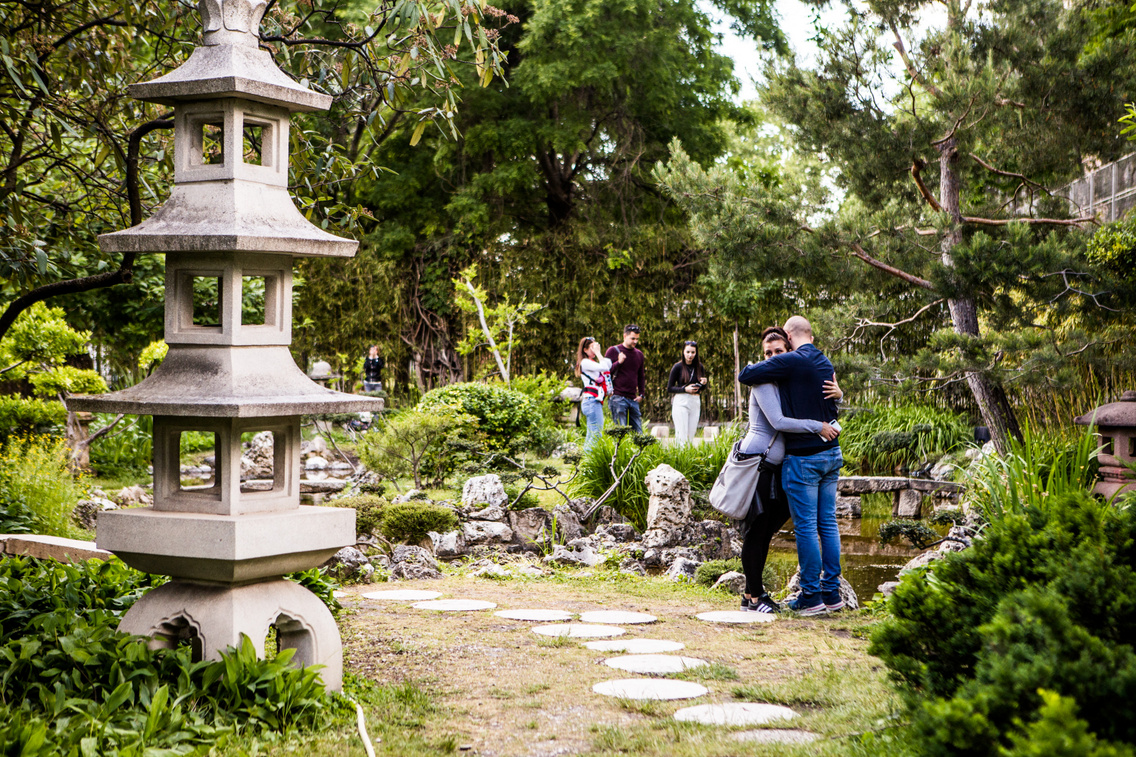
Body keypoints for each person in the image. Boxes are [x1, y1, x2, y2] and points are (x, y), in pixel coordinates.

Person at [738, 316, 844, 616]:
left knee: (804, 527)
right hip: (761, 464)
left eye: (778, 352)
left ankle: (817, 595)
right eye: (767, 355)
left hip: (793, 462)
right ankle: (754, 596)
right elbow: (779, 420)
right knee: (759, 531)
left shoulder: (794, 369)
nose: (772, 359)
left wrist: (841, 394)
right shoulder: (805, 366)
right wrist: (819, 426)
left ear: (790, 345)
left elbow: (825, 398)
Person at [605, 325, 645, 432]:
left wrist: (641, 394)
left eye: (637, 339)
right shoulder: (613, 351)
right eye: (632, 338)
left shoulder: (639, 354)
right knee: (620, 432)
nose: (635, 341)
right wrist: (619, 363)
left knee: (638, 433)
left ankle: (637, 449)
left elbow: (641, 376)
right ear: (624, 336)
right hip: (618, 397)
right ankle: (619, 449)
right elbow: (605, 372)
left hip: (633, 399)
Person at [575, 336, 613, 451]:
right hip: (591, 401)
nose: (595, 349)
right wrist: (598, 353)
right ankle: (589, 465)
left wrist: (598, 352)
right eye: (591, 347)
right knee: (596, 434)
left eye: (596, 346)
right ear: (585, 350)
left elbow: (608, 363)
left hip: (592, 401)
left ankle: (586, 463)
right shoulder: (585, 362)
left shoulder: (591, 362)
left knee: (591, 434)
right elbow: (605, 367)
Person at [667, 341, 707, 443]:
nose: (690, 355)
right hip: (681, 401)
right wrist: (685, 389)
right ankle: (680, 457)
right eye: (688, 352)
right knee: (681, 434)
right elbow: (670, 388)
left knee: (691, 435)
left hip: (695, 401)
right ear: (683, 352)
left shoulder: (699, 367)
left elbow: (702, 388)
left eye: (693, 352)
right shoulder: (678, 367)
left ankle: (688, 457)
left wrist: (703, 383)